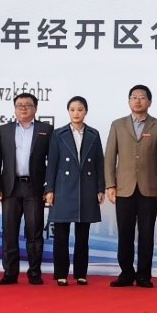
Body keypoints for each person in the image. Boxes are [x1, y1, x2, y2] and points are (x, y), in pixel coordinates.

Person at [104, 85, 157, 288]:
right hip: (124, 188)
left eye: (142, 97)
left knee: (147, 233)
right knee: (125, 233)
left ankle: (143, 275)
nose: (137, 101)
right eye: (134, 97)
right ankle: (126, 274)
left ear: (149, 102)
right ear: (129, 101)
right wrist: (110, 184)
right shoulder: (118, 125)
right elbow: (109, 157)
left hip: (150, 188)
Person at [0, 93, 53, 285]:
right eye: (19, 105)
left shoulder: (46, 130)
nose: (23, 108)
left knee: (34, 232)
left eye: (28, 105)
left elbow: (53, 161)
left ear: (36, 108)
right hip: (10, 188)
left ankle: (34, 273)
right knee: (9, 233)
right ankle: (10, 273)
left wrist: (49, 187)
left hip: (34, 188)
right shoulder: (3, 130)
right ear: (14, 108)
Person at [44, 96, 105, 286]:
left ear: (86, 111)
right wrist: (49, 189)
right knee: (61, 234)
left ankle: (81, 273)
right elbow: (52, 163)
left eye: (80, 109)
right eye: (72, 109)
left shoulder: (94, 134)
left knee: (83, 235)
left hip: (87, 187)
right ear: (68, 112)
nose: (76, 113)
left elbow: (99, 163)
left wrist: (100, 188)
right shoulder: (58, 134)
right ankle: (61, 273)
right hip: (63, 187)